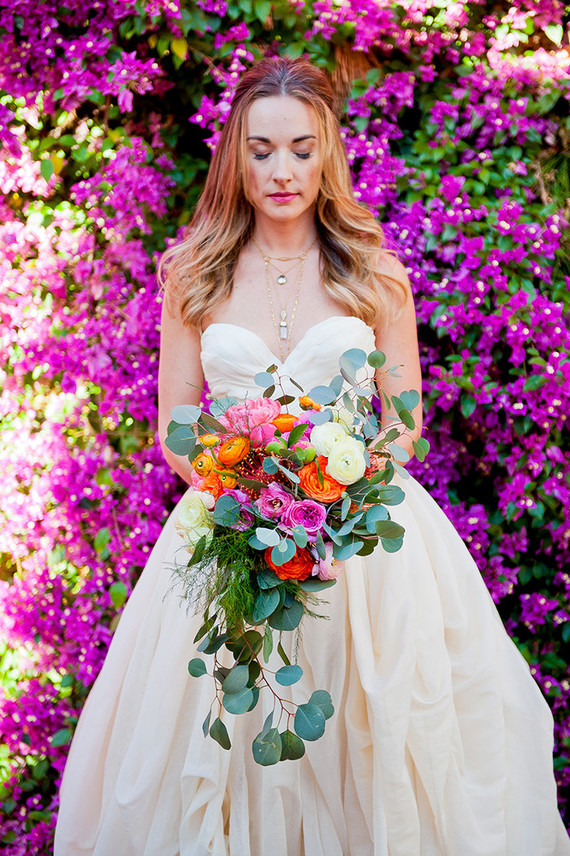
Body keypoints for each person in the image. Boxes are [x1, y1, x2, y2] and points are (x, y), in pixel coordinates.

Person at [54, 56, 569, 856]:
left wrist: (337, 482)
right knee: (230, 734)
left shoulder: (374, 273)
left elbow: (404, 423)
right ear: (235, 155)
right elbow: (175, 423)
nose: (281, 169)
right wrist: (246, 486)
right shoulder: (192, 274)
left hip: (364, 548)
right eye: (260, 150)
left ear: (328, 149)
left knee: (374, 734)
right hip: (230, 537)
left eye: (300, 147)